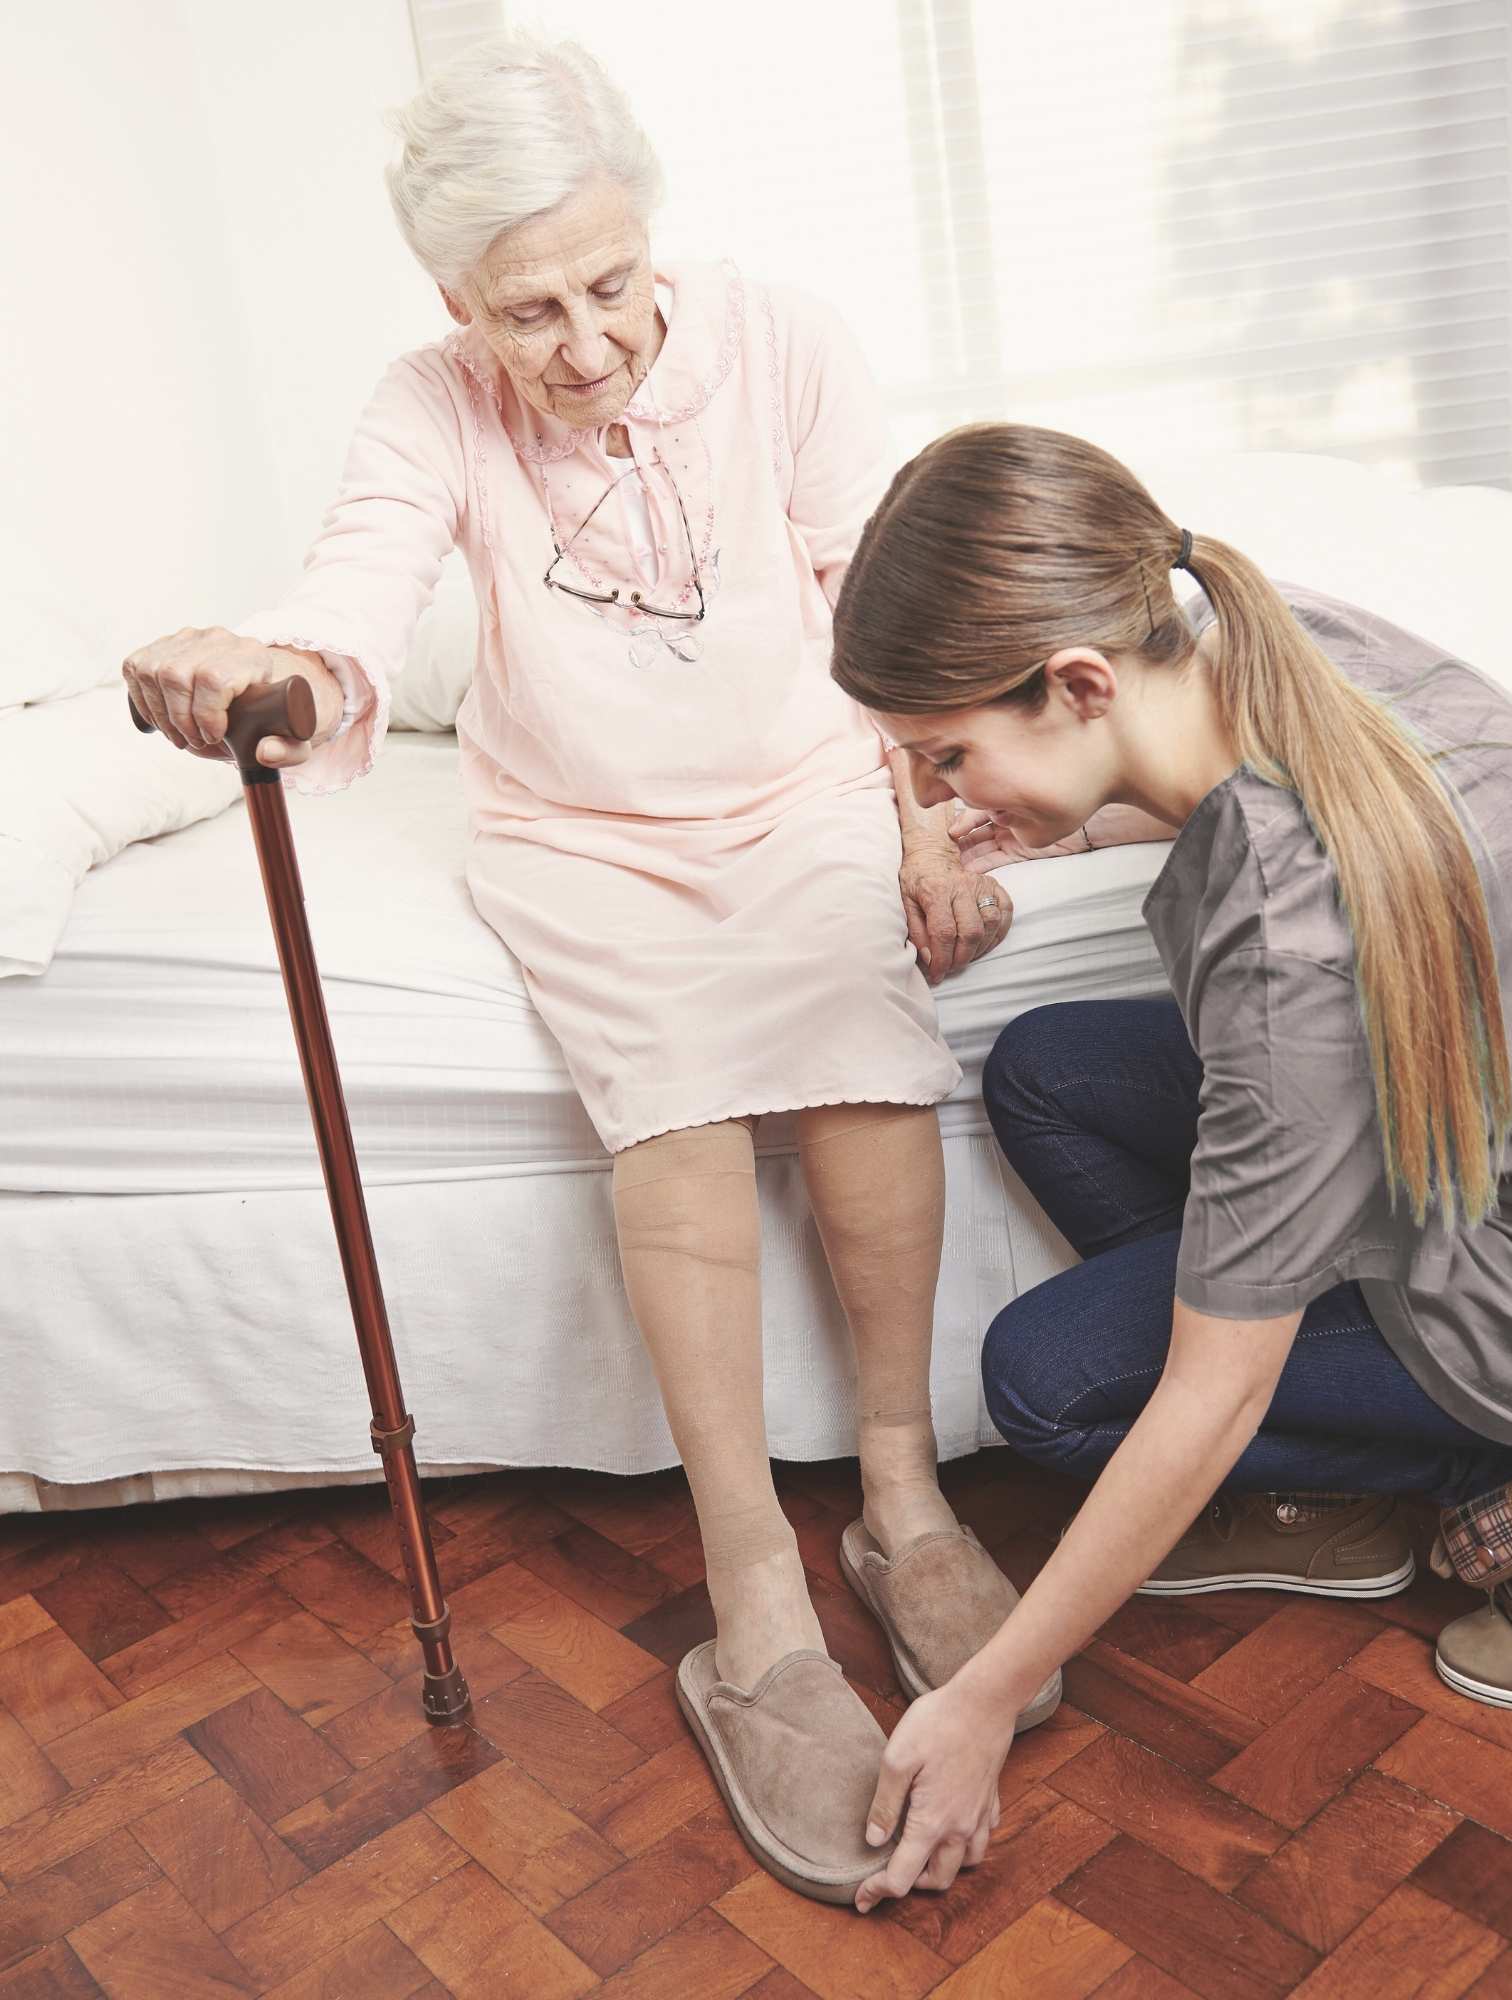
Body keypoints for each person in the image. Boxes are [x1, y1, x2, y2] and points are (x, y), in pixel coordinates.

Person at [118, 34, 1079, 1904]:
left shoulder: (782, 339)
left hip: (803, 787)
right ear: (454, 304)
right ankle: (754, 1595)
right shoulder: (428, 405)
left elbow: (874, 604)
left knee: (869, 1064)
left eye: (612, 284)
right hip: (580, 831)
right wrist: (269, 667)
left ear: (654, 237)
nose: (585, 344)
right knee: (681, 1122)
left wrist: (922, 831)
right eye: (528, 310)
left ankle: (900, 1501)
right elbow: (357, 590)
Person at [826, 421, 1512, 1915]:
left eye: (948, 753)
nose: (933, 787)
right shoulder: (1269, 634)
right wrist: (1068, 812)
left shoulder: (1293, 947)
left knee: (1047, 1382)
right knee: (1043, 1066)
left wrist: (984, 1697)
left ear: (1081, 685)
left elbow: (1211, 1389)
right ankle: (1344, 1463)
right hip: (1462, 1131)